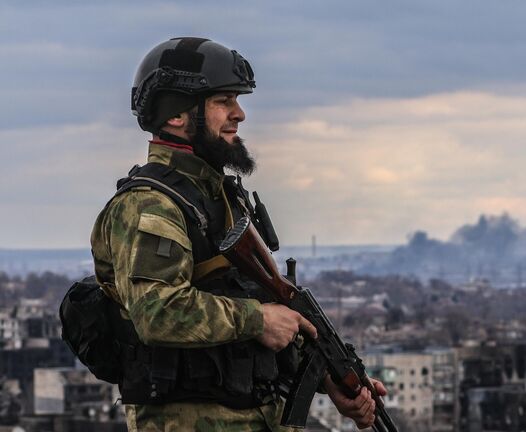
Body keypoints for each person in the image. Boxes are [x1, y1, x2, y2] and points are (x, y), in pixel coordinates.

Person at [90, 37, 386, 431]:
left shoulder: (221, 198)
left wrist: (326, 374)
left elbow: (254, 304)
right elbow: (157, 312)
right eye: (223, 101)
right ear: (177, 115)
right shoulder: (150, 204)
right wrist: (258, 319)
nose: (239, 114)